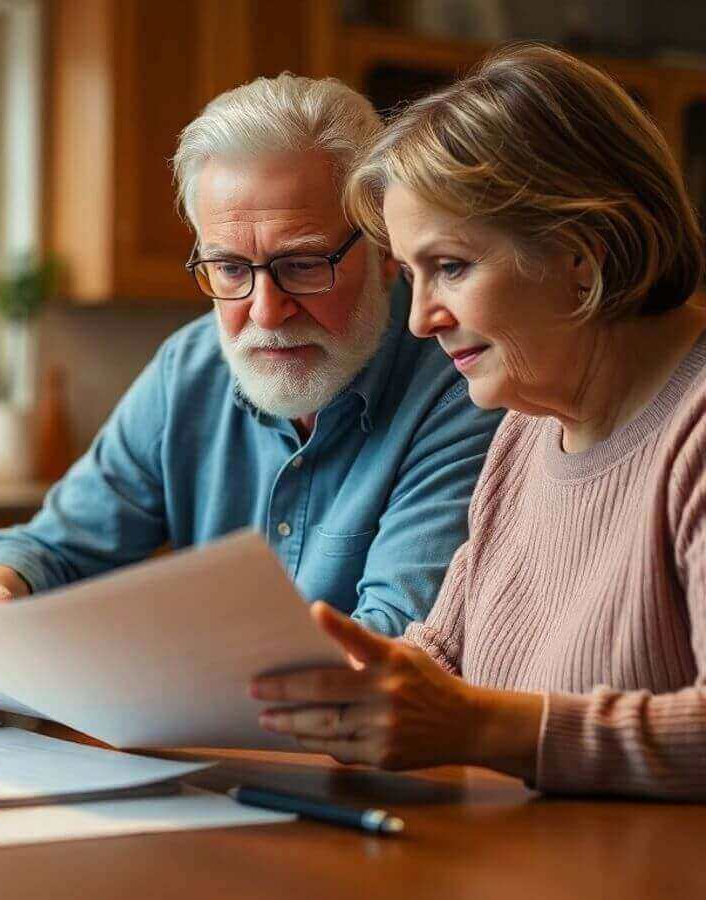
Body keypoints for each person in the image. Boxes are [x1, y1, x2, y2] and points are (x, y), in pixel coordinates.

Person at [0, 75, 502, 715]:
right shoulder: (190, 367)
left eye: (302, 264)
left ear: (385, 249)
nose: (266, 312)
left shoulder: (459, 383)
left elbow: (384, 651)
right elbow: (55, 546)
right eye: (231, 270)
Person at [251, 44, 706, 800]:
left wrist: (481, 729)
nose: (423, 320)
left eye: (452, 267)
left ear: (580, 259)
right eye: (411, 273)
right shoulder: (528, 425)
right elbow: (444, 655)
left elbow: (468, 715)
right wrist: (347, 685)